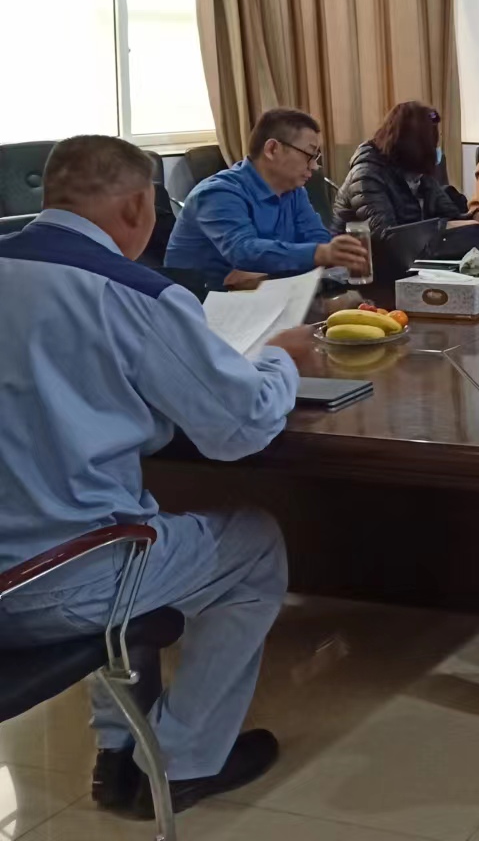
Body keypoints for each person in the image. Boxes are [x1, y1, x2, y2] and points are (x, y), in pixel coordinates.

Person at [0, 136, 311, 815]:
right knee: (252, 546)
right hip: (56, 581)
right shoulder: (133, 293)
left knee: (134, 519)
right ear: (139, 206)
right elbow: (241, 429)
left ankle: (119, 750)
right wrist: (280, 358)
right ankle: (180, 763)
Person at [165, 108, 369, 286]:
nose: (315, 166)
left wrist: (324, 254)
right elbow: (244, 252)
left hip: (265, 296)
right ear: (272, 149)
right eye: (309, 155)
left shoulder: (294, 191)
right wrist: (317, 254)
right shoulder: (217, 193)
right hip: (200, 305)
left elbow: (317, 239)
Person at [333, 101, 479, 239]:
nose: (436, 148)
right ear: (413, 145)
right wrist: (447, 225)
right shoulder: (367, 175)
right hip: (359, 270)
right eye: (432, 142)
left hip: (412, 263)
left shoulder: (419, 174)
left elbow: (450, 217)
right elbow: (386, 235)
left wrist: (477, 216)